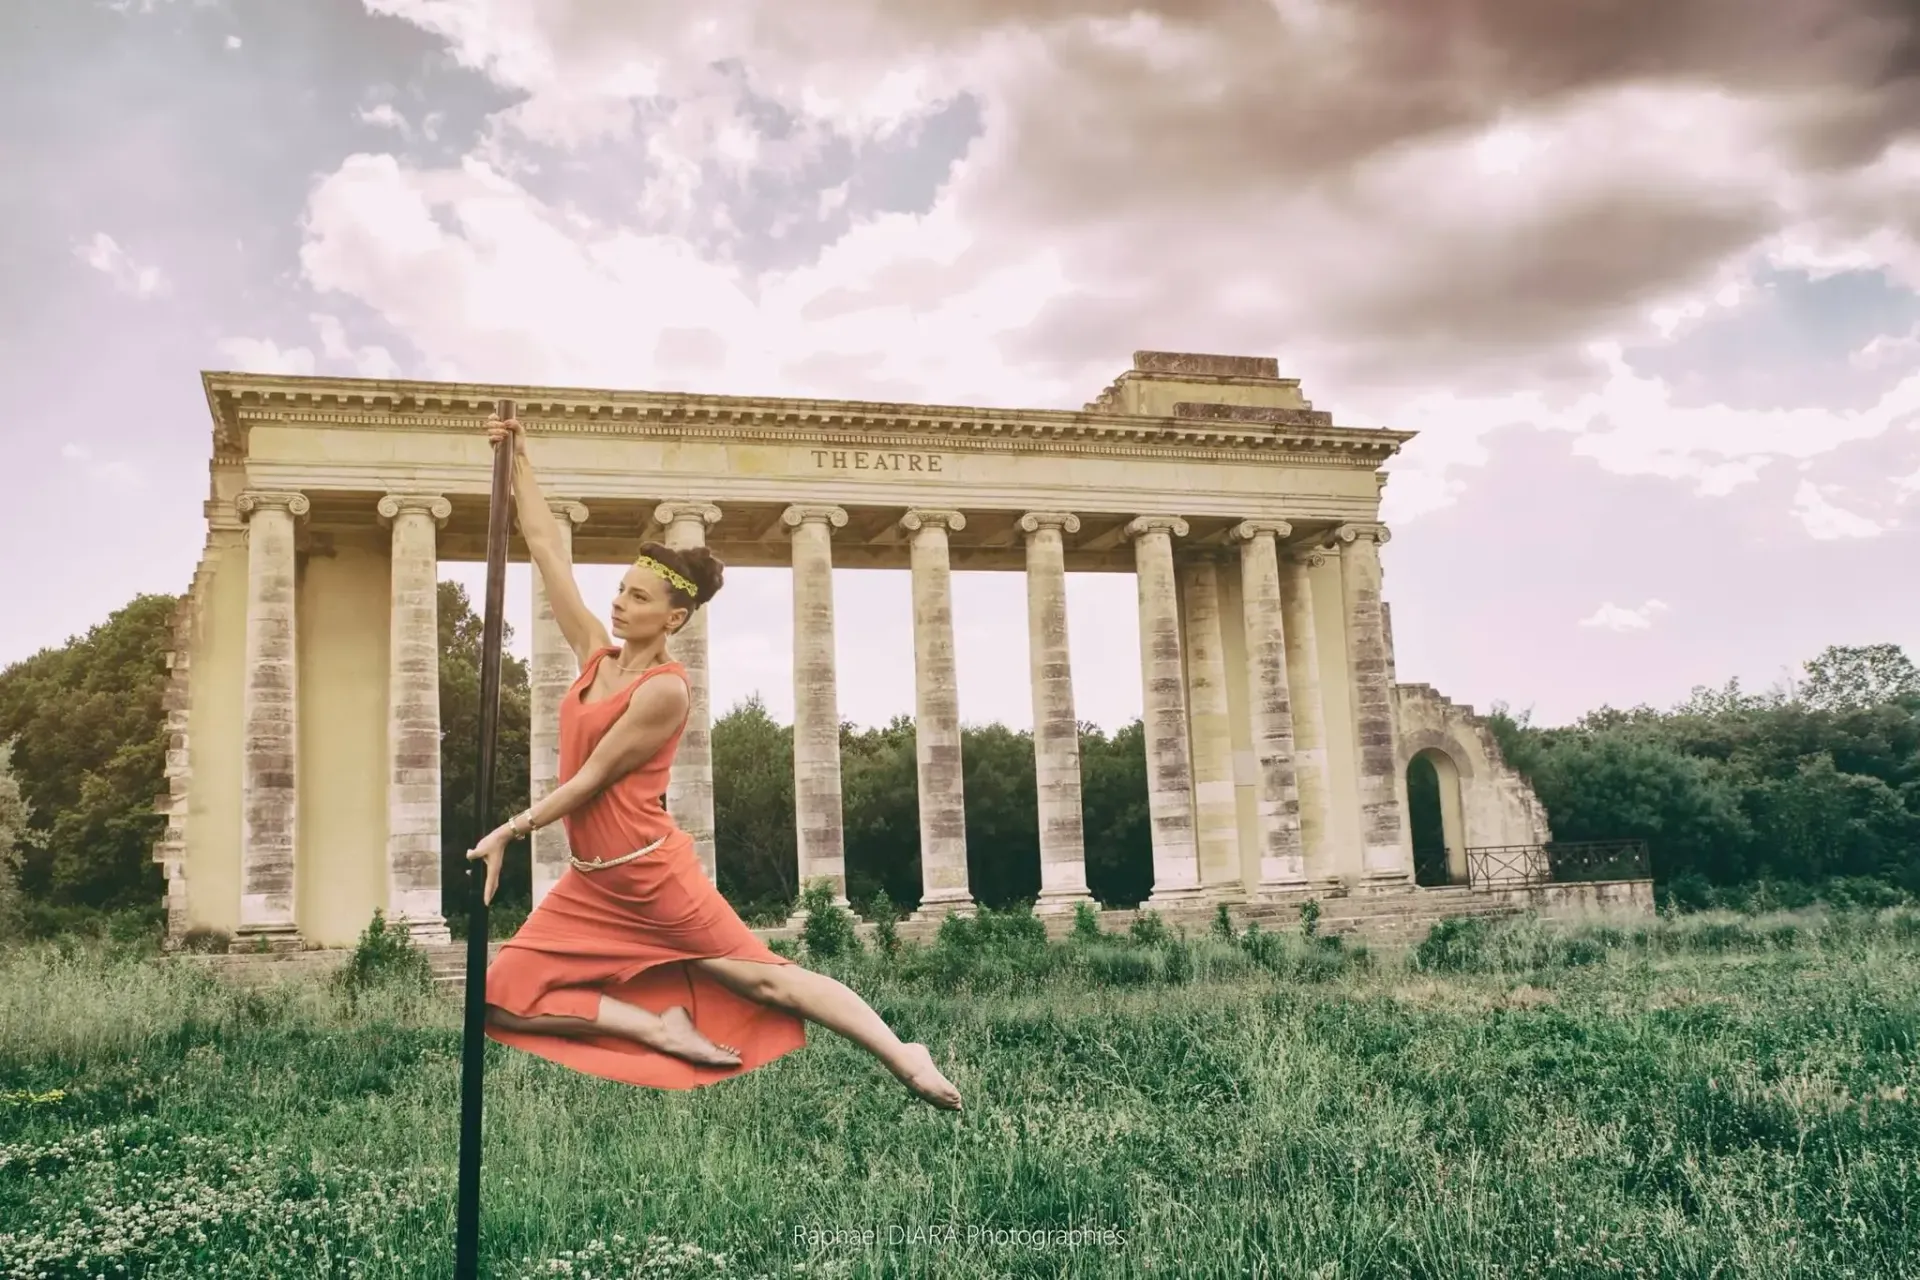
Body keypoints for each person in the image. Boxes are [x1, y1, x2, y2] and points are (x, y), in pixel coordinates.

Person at [467, 412, 962, 1111]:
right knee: (495, 999)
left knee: (764, 980)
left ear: (673, 616)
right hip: (590, 882)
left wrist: (509, 832)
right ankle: (658, 1027)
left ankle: (902, 1053)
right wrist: (519, 458)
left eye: (638, 597)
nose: (618, 602)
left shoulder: (665, 691)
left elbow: (588, 781)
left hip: (648, 876)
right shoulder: (592, 653)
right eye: (621, 589)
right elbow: (546, 546)